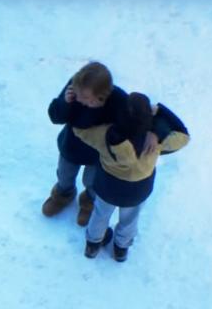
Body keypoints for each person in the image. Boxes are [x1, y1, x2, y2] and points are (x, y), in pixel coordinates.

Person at [72, 92, 189, 262]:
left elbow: (79, 129)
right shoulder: (155, 144)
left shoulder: (103, 135)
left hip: (107, 188)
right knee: (130, 218)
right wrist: (160, 115)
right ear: (149, 120)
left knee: (100, 213)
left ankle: (92, 244)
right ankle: (121, 248)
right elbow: (183, 135)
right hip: (137, 191)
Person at [43, 61, 128, 226]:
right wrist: (65, 103)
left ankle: (88, 202)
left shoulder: (118, 100)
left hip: (97, 154)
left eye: (85, 98)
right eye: (77, 95)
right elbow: (55, 116)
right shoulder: (75, 88)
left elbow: (132, 123)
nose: (78, 100)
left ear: (101, 96)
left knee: (92, 182)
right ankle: (63, 195)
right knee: (64, 175)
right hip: (71, 147)